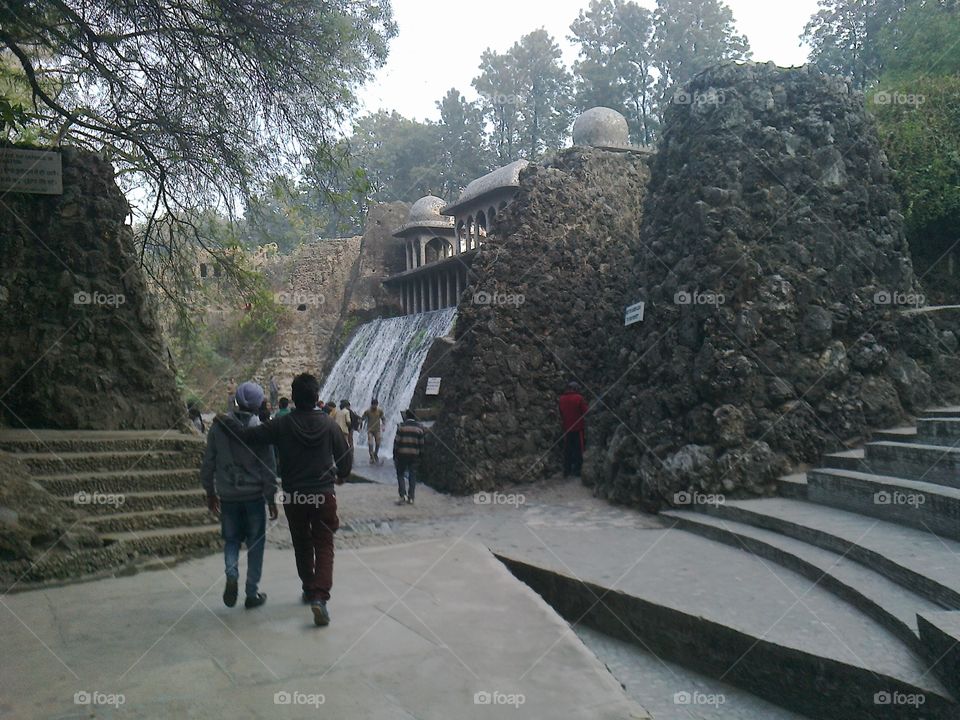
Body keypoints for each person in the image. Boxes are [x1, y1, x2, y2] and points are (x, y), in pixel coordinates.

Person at [223, 373, 351, 627]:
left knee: (302, 542)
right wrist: (341, 476)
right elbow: (345, 460)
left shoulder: (282, 425)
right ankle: (319, 597)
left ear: (293, 397)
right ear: (317, 397)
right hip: (324, 495)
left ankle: (308, 586)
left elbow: (249, 437)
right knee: (324, 545)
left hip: (294, 496)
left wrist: (226, 422)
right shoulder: (329, 425)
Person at [201, 381, 278, 610]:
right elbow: (268, 468)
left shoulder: (217, 428)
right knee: (256, 545)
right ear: (258, 404)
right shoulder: (261, 430)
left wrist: (210, 492)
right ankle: (251, 593)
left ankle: (231, 573)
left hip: (228, 497)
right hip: (254, 498)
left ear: (236, 400)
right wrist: (271, 498)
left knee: (231, 540)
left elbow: (208, 464)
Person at [393, 410, 425, 504]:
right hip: (414, 455)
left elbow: (396, 442)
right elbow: (421, 444)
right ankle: (411, 497)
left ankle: (402, 496)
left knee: (400, 474)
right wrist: (421, 456)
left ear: (406, 416)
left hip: (402, 454)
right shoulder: (419, 429)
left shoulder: (401, 427)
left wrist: (395, 454)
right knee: (412, 475)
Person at [558, 381, 589, 477]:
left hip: (567, 428)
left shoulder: (561, 399)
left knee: (567, 449)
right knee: (579, 449)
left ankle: (566, 470)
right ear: (576, 389)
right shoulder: (579, 398)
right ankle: (577, 471)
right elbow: (586, 411)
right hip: (578, 428)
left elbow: (561, 413)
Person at [362, 399, 386, 464]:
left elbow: (383, 418)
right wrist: (360, 420)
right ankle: (371, 457)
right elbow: (363, 418)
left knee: (378, 442)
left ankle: (375, 454)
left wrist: (383, 425)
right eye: (373, 405)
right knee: (370, 443)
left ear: (377, 405)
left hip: (377, 430)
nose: (374, 407)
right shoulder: (367, 411)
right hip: (370, 430)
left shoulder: (380, 411)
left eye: (376, 405)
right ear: (371, 405)